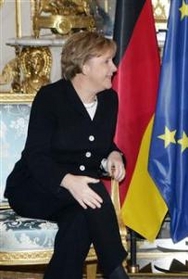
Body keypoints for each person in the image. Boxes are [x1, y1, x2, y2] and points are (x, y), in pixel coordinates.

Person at [4, 31, 129, 279]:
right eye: (106, 61)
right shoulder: (50, 98)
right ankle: (116, 272)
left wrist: (114, 155)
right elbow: (35, 156)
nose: (113, 68)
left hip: (77, 197)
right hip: (36, 188)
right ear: (84, 66)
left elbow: (99, 146)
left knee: (79, 223)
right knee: (94, 196)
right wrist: (69, 181)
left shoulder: (109, 100)